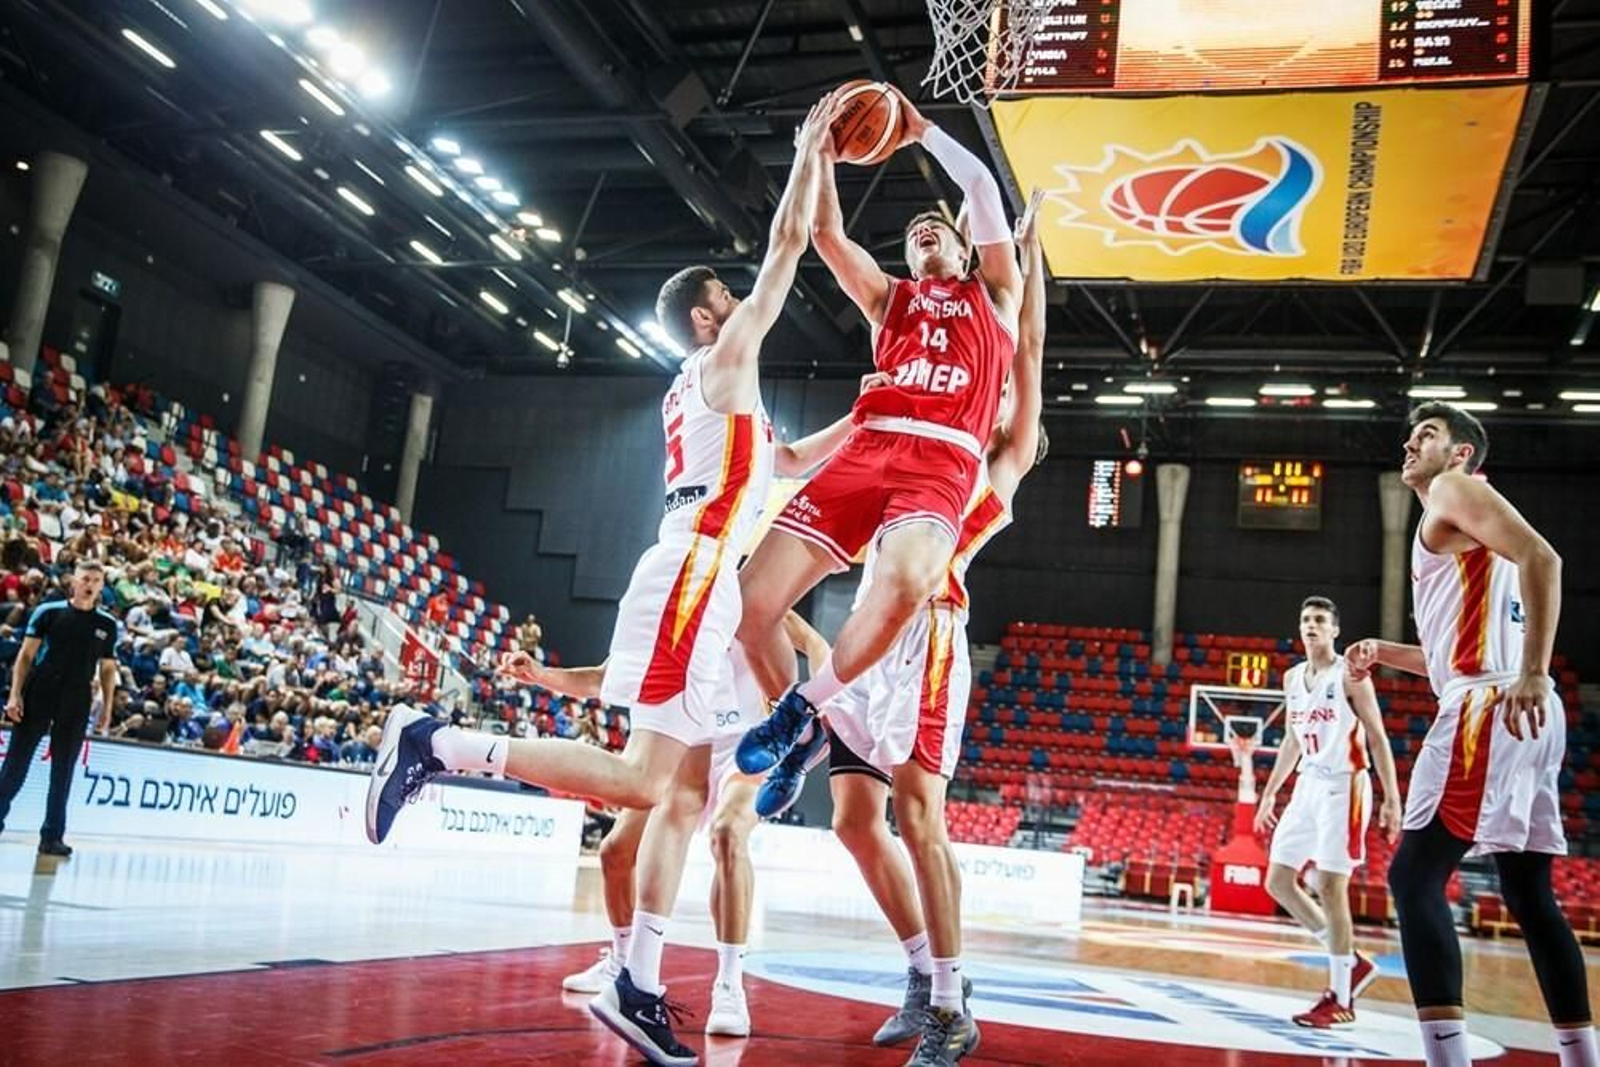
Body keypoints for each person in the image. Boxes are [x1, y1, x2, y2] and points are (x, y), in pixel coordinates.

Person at [365, 96, 840, 1066]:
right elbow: (790, 242)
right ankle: (437, 739)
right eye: (729, 297)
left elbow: (787, 464)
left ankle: (638, 977)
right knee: (643, 781)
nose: (741, 304)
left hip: (696, 568)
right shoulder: (721, 358)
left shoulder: (716, 395)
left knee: (685, 791)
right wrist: (810, 155)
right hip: (697, 564)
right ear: (712, 314)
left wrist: (873, 423)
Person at [753, 201, 1046, 1065]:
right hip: (870, 633)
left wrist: (1026, 280)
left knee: (920, 817)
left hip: (930, 635)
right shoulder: (903, 425)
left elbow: (1021, 349)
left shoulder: (995, 468)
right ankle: (920, 972)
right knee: (851, 819)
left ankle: (954, 1002)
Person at [733, 86, 1022, 793]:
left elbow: (982, 186)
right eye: (913, 230)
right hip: (867, 450)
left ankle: (806, 703)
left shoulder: (996, 295)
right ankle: (795, 725)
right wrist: (820, 156)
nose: (923, 231)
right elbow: (828, 237)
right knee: (748, 609)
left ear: (965, 247)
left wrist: (921, 130)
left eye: (937, 227)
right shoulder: (889, 299)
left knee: (908, 582)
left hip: (939, 460)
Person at [1345, 402, 1594, 1067]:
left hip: (1492, 703)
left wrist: (1535, 669)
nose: (1410, 442)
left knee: (1415, 877)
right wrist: (1383, 651)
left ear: (1460, 455)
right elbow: (1448, 654)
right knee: (1527, 891)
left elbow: (1546, 558)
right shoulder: (1464, 527)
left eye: (1427, 434)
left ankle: (1446, 1060)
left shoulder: (1455, 490)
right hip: (1519, 706)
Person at [502, 611, 827, 1038]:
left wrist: (822, 706)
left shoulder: (752, 591)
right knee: (615, 851)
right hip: (685, 745)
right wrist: (543, 676)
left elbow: (817, 646)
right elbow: (605, 677)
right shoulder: (671, 606)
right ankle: (623, 962)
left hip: (748, 745)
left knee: (728, 835)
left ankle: (730, 984)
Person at [1252, 595, 1403, 1029]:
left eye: (1320, 619)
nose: (1311, 625)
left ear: (1335, 630)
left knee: (1331, 885)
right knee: (1279, 881)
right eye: (1305, 619)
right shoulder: (1292, 677)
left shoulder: (1351, 675)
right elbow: (1292, 739)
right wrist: (1270, 793)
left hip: (1346, 784)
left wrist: (1392, 798)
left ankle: (1340, 997)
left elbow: (1377, 736)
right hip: (1308, 785)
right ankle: (1350, 962)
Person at [0, 560, 120, 856]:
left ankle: (52, 836)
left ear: (101, 586)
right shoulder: (49, 612)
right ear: (73, 582)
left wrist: (107, 704)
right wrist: (15, 696)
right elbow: (25, 657)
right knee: (16, 764)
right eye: (85, 578)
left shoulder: (106, 624)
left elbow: (107, 669)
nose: (89, 584)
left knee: (63, 770)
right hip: (42, 690)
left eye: (95, 579)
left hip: (77, 697)